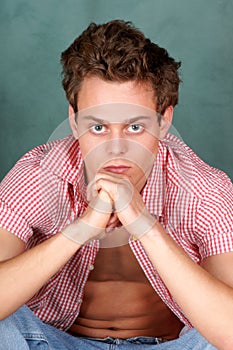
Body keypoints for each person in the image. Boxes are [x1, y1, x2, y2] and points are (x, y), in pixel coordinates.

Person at [0, 19, 232, 350]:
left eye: (135, 127)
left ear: (164, 121)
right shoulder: (38, 175)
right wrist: (81, 229)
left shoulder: (204, 188)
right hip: (54, 342)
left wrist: (145, 225)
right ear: (74, 120)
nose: (116, 147)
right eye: (98, 128)